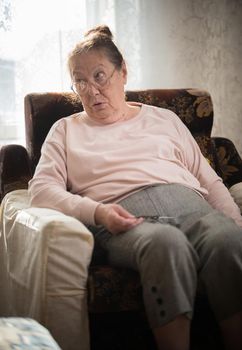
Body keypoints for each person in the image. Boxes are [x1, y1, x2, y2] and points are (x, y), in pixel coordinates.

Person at [28, 25, 242, 350]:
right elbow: (41, 191)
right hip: (124, 222)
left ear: (123, 72)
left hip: (194, 210)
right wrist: (98, 213)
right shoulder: (65, 131)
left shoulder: (165, 119)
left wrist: (236, 226)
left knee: (227, 239)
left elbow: (208, 180)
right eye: (80, 81)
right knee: (166, 244)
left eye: (99, 76)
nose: (91, 90)